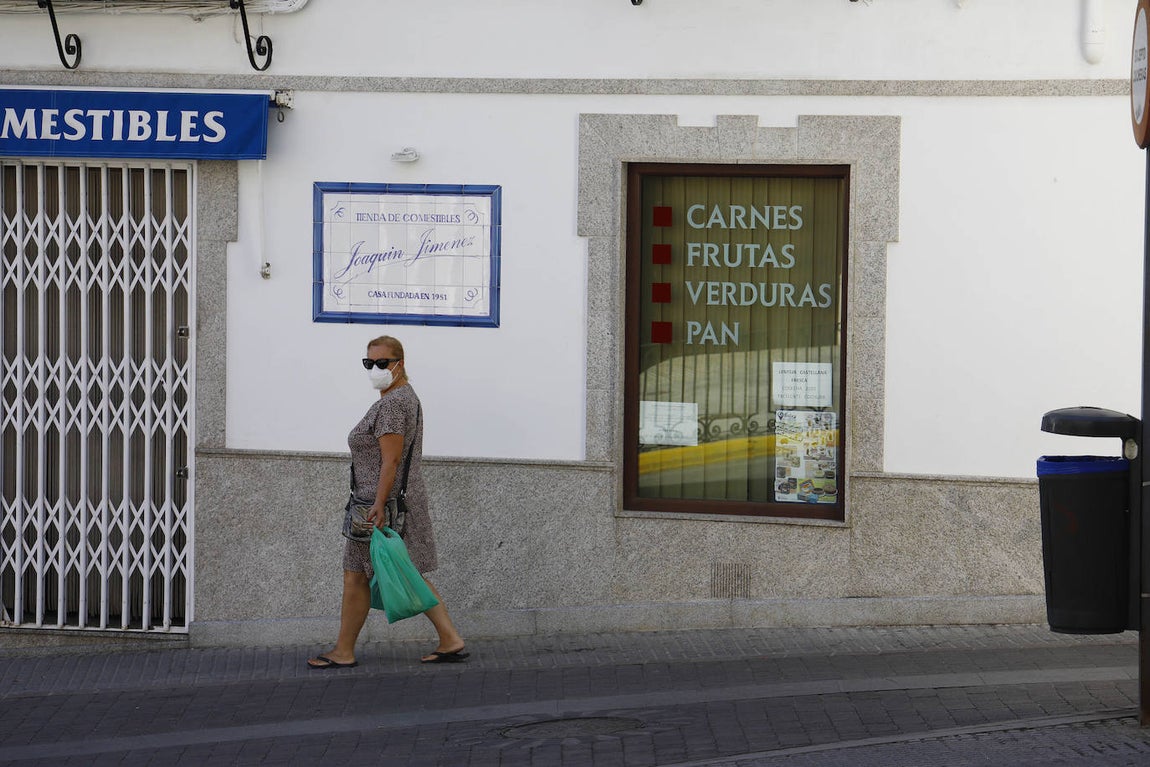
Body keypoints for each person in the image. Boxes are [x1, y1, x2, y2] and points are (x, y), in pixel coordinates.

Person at [308, 335, 468, 668]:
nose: (375, 369)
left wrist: (378, 505)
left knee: (354, 575)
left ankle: (343, 651)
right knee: (407, 571)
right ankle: (450, 638)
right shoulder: (403, 397)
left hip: (376, 503)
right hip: (393, 499)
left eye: (382, 363)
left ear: (399, 364)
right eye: (369, 363)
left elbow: (390, 461)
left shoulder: (393, 403)